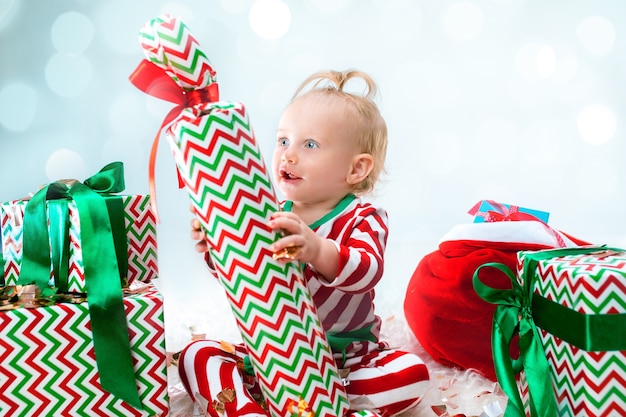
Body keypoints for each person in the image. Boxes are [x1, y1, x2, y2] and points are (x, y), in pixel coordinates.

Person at [178, 69, 430, 417]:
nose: (288, 155)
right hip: (272, 358)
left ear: (356, 169)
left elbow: (367, 270)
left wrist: (316, 250)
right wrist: (218, 247)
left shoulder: (363, 217)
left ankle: (331, 406)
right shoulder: (267, 214)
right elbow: (248, 277)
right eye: (283, 141)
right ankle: (244, 408)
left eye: (309, 145)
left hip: (348, 361)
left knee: (410, 374)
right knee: (197, 355)